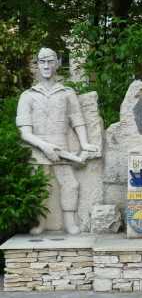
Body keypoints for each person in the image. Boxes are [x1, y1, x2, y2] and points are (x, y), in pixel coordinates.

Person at [16, 47, 98, 235]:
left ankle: (70, 222)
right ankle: (40, 223)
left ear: (58, 63)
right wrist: (45, 147)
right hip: (38, 150)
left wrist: (84, 144)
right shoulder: (27, 96)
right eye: (42, 61)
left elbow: (77, 119)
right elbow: (25, 133)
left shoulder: (67, 93)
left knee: (71, 184)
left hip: (62, 148)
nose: (46, 65)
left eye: (50, 61)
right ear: (37, 64)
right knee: (40, 187)